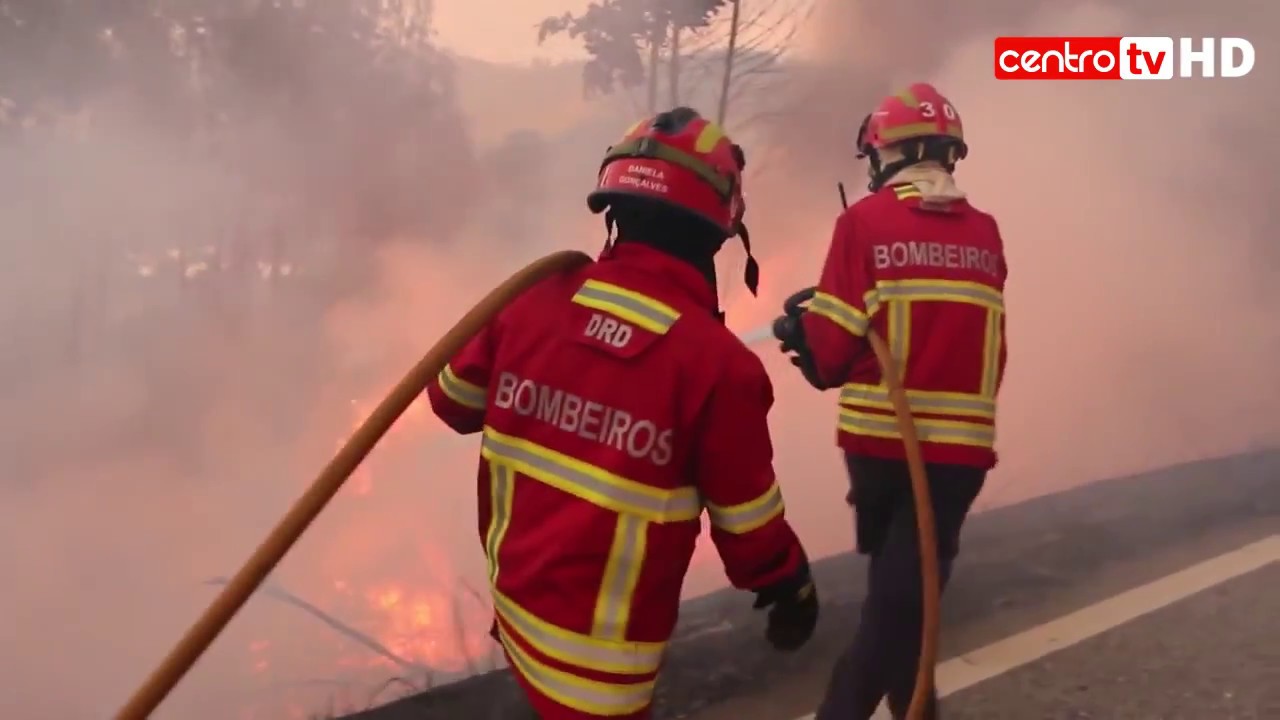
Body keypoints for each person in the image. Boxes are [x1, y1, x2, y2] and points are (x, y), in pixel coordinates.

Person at [427, 107, 819, 720]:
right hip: (601, 670)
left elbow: (451, 402)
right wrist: (787, 581)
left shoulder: (532, 300)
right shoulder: (719, 366)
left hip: (518, 617)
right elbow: (747, 523)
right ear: (719, 235)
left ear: (613, 211)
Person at [777, 82, 1009, 719]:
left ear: (886, 155)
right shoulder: (986, 234)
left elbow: (828, 354)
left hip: (881, 448)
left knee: (894, 613)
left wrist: (800, 335)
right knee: (910, 603)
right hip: (961, 459)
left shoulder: (864, 223)